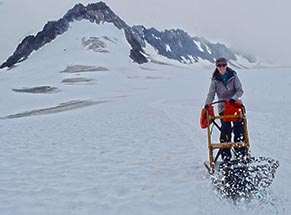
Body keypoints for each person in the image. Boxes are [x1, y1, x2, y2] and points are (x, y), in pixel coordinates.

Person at [204, 57, 246, 161]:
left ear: (226, 65)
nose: (222, 67)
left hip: (235, 106)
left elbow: (240, 90)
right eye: (219, 66)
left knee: (239, 130)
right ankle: (226, 156)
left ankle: (240, 154)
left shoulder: (233, 76)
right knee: (226, 131)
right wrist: (207, 105)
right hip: (223, 108)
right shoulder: (215, 80)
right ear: (217, 67)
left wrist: (233, 98)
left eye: (224, 65)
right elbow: (211, 94)